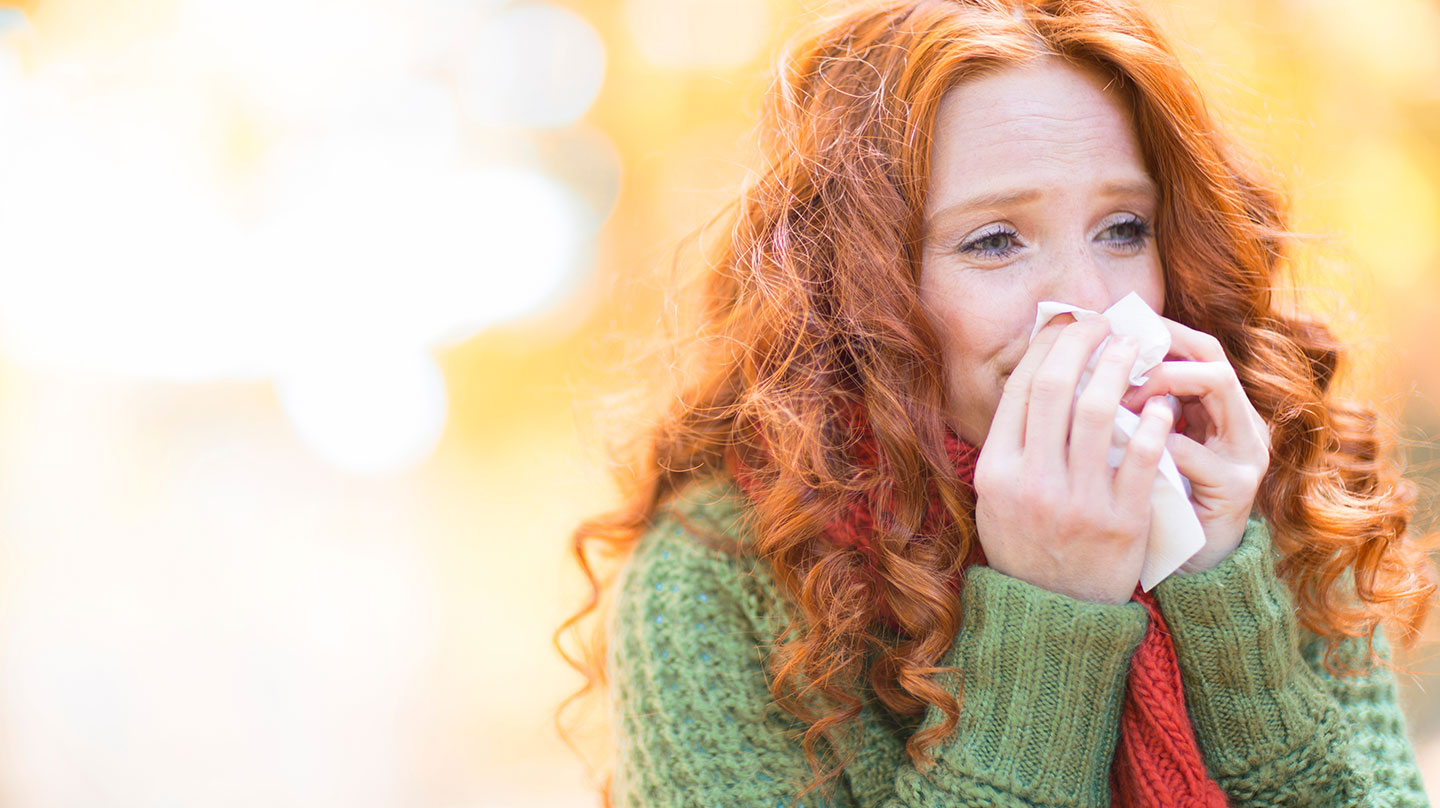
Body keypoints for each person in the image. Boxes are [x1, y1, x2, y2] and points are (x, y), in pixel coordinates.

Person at [556, 0, 1438, 805]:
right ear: (860, 291)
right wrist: (1052, 618)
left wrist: (1218, 591)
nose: (1090, 300)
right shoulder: (718, 574)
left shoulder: (1262, 488)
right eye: (995, 241)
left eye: (1123, 228)